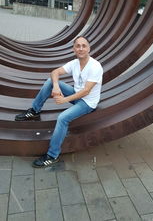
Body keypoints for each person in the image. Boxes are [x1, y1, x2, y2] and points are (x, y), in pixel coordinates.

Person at [15, 36, 103, 168]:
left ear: (89, 48)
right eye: (77, 46)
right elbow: (55, 72)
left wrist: (64, 99)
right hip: (76, 94)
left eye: (84, 46)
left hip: (87, 103)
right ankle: (34, 110)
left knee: (62, 118)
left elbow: (86, 91)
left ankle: (52, 155)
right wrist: (56, 86)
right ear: (74, 49)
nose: (81, 48)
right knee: (50, 81)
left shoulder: (95, 66)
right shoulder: (74, 63)